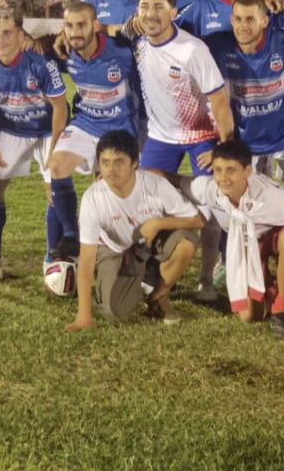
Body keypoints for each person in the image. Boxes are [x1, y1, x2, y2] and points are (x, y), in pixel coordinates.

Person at [131, 0, 235, 303]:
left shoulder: (192, 49)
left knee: (212, 207)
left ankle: (207, 281)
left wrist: (221, 149)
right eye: (145, 7)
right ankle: (156, 271)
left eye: (158, 7)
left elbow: (219, 100)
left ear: (173, 12)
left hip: (202, 135)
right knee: (145, 201)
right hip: (161, 137)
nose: (151, 13)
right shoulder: (138, 43)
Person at [0, 5, 69, 286]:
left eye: (7, 32)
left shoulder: (40, 61)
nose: (1, 39)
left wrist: (55, 148)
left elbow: (60, 107)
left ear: (21, 34)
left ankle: (53, 260)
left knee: (54, 191)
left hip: (47, 130)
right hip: (13, 128)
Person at [67, 129, 202, 332]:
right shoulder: (93, 199)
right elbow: (86, 259)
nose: (111, 169)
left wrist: (158, 223)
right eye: (105, 162)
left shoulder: (154, 184)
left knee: (186, 242)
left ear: (135, 162)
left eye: (119, 162)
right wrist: (83, 316)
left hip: (151, 242)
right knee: (115, 312)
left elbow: (197, 220)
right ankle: (141, 276)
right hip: (116, 249)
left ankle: (159, 295)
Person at [44, 1, 139, 265]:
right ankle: (71, 235)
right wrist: (39, 42)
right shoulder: (64, 53)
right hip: (86, 122)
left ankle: (117, 252)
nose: (75, 32)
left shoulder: (122, 52)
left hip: (120, 127)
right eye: (69, 26)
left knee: (107, 192)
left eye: (81, 25)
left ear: (95, 25)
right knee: (57, 165)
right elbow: (36, 51)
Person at [185, 139, 284, 337]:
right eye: (218, 170)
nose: (223, 178)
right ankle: (268, 290)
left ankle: (282, 309)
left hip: (272, 238)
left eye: (231, 170)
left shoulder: (271, 197)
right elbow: (180, 183)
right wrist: (150, 176)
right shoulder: (209, 188)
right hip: (248, 246)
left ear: (247, 171)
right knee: (250, 316)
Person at [202, 0, 284, 196]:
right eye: (238, 19)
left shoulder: (283, 39)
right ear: (231, 20)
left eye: (250, 19)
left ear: (264, 21)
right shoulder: (216, 45)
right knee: (252, 202)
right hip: (247, 145)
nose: (243, 26)